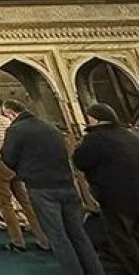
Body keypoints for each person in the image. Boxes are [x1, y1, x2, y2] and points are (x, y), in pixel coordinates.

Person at [1, 99, 105, 275]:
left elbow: (8, 157)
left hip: (41, 187)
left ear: (11, 114)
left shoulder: (17, 130)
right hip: (66, 184)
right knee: (78, 234)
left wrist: (24, 170)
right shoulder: (51, 128)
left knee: (58, 236)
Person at [0, 96, 49, 252]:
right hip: (13, 163)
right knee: (25, 201)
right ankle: (43, 238)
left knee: (5, 203)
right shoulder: (8, 122)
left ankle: (17, 241)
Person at [72, 102, 139, 273]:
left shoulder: (95, 139)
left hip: (114, 196)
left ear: (93, 119)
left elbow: (80, 161)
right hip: (135, 191)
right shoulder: (129, 135)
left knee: (122, 238)